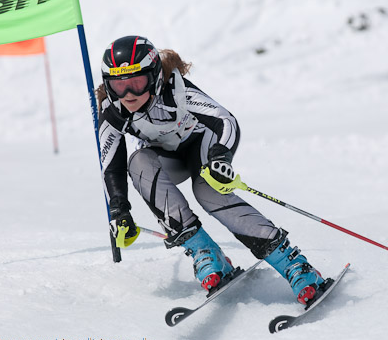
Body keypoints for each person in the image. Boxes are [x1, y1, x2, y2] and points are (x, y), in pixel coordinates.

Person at [97, 35, 332, 305]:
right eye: (119, 86)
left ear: (154, 77)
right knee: (138, 162)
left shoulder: (176, 91)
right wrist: (119, 209)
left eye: (136, 84)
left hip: (200, 147)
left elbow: (226, 121)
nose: (128, 95)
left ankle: (294, 265)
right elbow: (110, 164)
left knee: (208, 191)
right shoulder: (112, 110)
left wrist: (221, 157)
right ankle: (205, 253)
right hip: (166, 160)